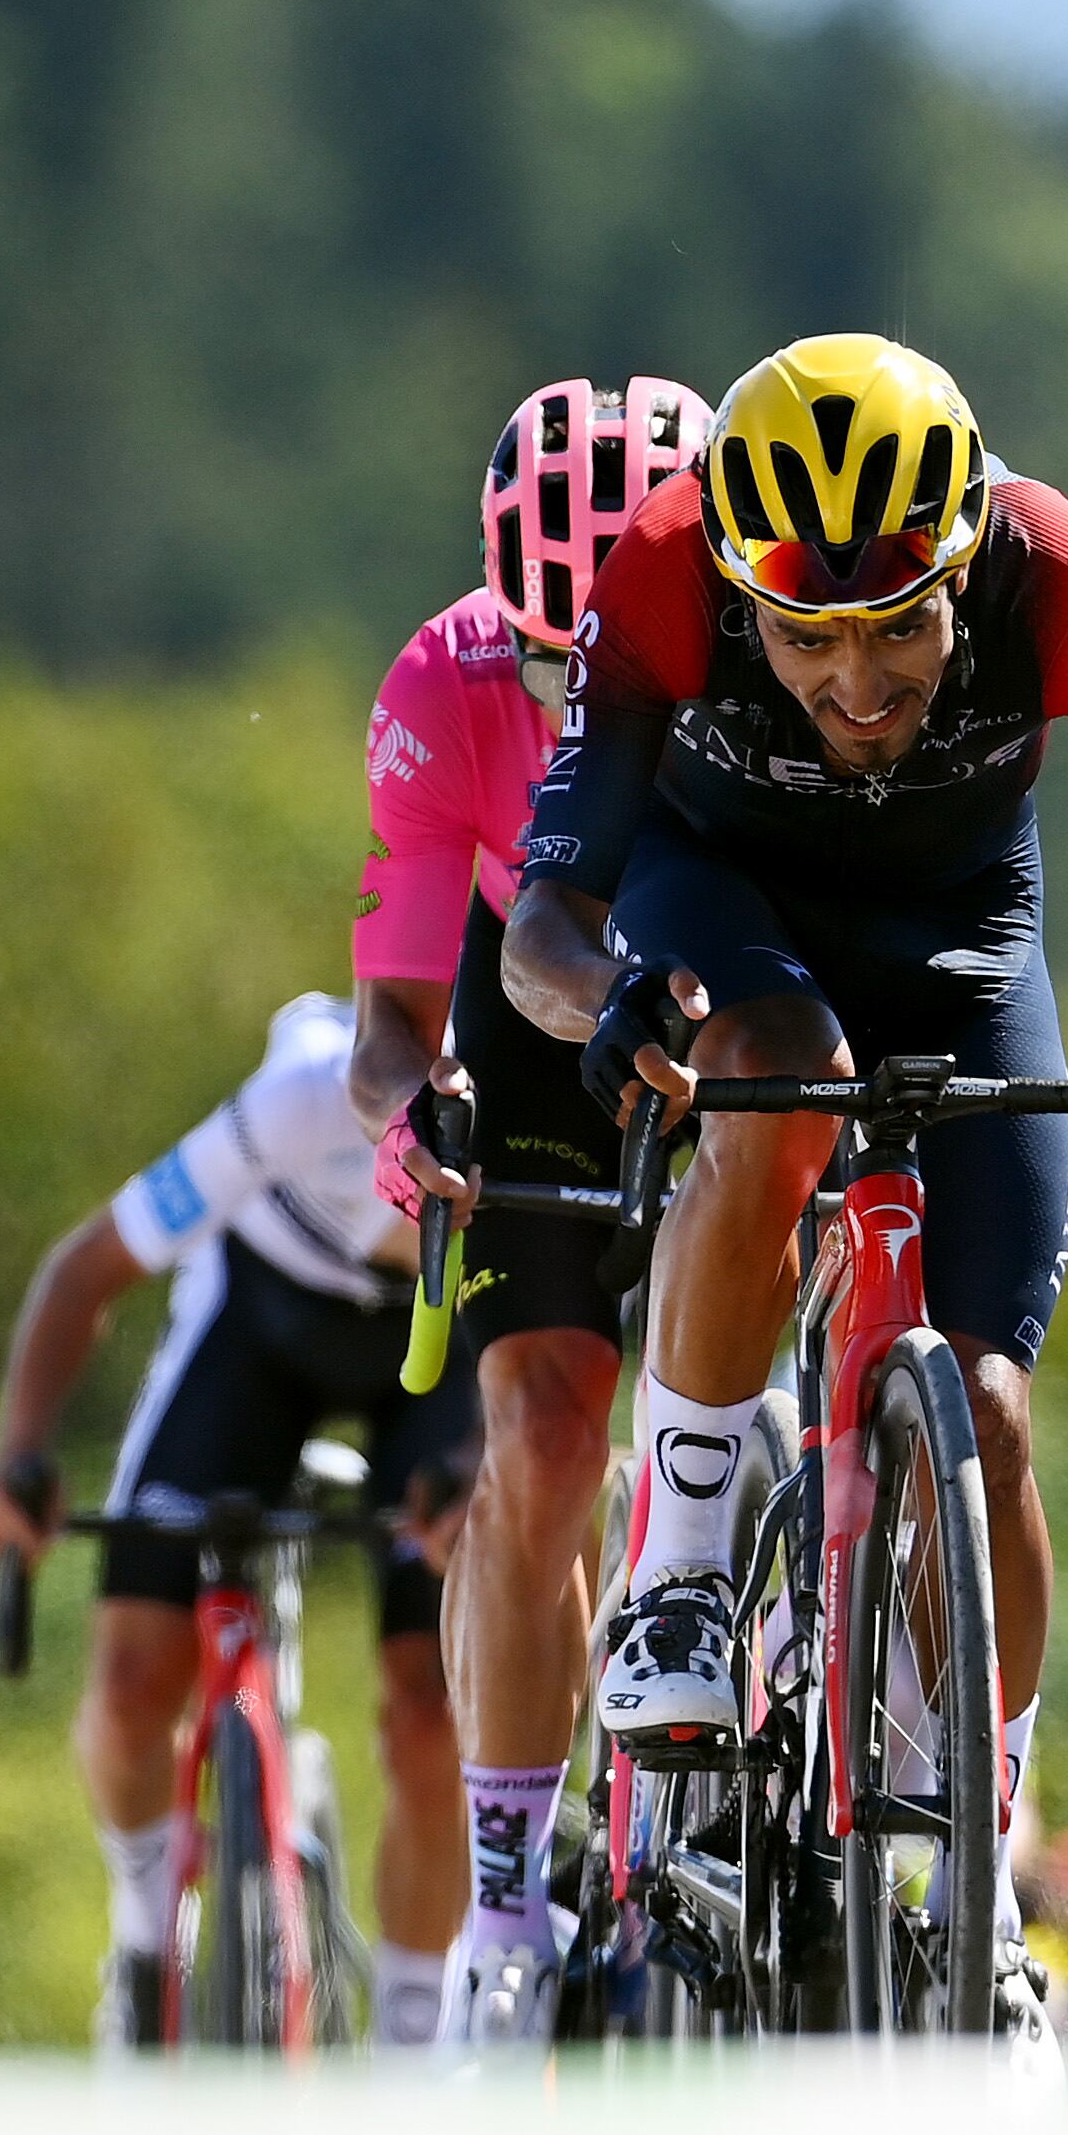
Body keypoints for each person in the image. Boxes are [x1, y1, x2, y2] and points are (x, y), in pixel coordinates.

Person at [499, 331, 1068, 2032]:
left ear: (968, 562)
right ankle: (683, 1571)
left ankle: (984, 1880)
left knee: (988, 1416)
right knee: (764, 1077)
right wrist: (610, 1001)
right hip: (722, 904)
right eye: (801, 636)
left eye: (897, 627)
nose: (854, 684)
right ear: (732, 594)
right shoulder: (654, 575)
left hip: (954, 936)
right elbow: (542, 928)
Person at [336, 376, 713, 2039]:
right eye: (556, 661)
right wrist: (418, 1110)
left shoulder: (758, 635)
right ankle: (506, 1898)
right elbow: (392, 1018)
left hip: (732, 988)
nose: (585, 701)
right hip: (532, 1017)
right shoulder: (444, 678)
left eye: (614, 655)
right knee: (545, 1442)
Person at [0, 994, 479, 2050]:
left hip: (441, 1354)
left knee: (432, 1701)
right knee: (130, 1681)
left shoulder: (528, 1108)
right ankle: (148, 1933)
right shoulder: (307, 1095)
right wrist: (21, 1456)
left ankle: (417, 2032)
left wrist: (481, 1472)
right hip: (259, 1324)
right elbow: (84, 1272)